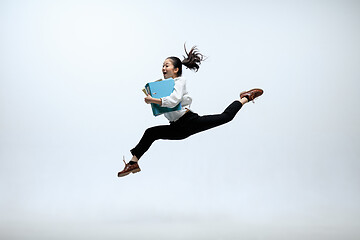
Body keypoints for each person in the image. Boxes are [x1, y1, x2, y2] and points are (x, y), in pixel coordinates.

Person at [118, 45, 263, 177]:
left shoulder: (180, 81)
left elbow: (174, 101)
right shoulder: (162, 86)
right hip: (176, 128)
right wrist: (155, 101)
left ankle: (245, 98)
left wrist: (154, 100)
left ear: (175, 69)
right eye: (162, 65)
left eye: (166, 65)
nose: (163, 67)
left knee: (226, 117)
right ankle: (133, 164)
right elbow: (167, 107)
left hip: (189, 122)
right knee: (151, 132)